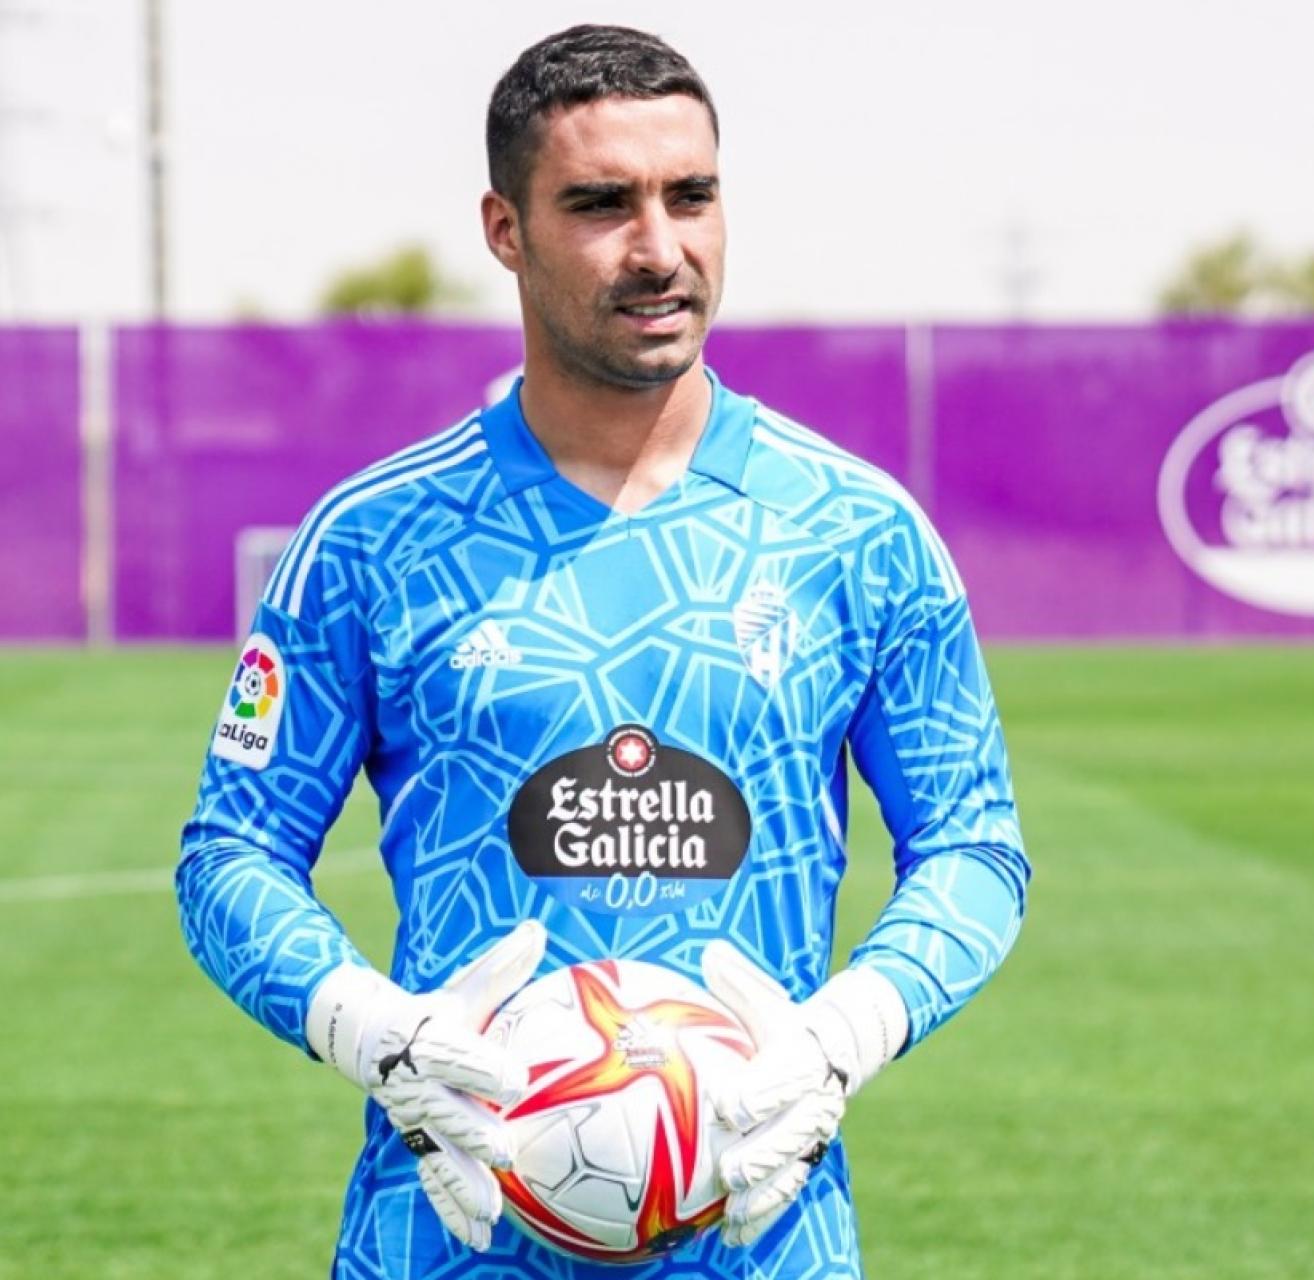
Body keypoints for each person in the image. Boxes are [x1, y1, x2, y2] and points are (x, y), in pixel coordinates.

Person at [176, 23, 1028, 1280]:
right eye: (599, 204)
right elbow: (230, 852)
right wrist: (373, 1031)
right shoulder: (371, 539)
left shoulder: (857, 532)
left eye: (691, 195)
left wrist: (847, 1030)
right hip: (445, 1238)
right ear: (504, 229)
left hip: (763, 1241)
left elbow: (973, 845)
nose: (659, 247)